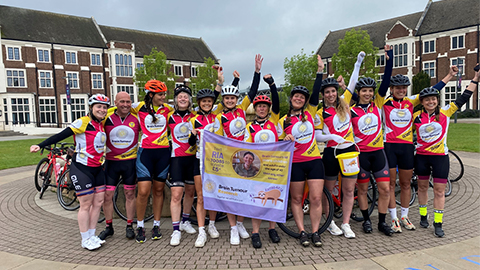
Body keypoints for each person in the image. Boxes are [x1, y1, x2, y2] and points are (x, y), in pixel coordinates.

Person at [30, 94, 110, 250]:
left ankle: (93, 236)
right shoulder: (82, 122)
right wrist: (40, 145)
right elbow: (61, 134)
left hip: (98, 168)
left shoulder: (102, 124)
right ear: (91, 108)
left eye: (104, 107)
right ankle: (85, 238)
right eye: (98, 106)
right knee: (85, 205)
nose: (102, 109)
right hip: (82, 168)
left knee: (98, 203)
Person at [384, 66, 457, 233]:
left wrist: (449, 76)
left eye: (403, 88)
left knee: (405, 183)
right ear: (392, 89)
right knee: (389, 185)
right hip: (390, 146)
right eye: (398, 88)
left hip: (407, 147)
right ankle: (394, 218)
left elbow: (432, 91)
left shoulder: (411, 101)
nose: (401, 90)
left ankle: (405, 216)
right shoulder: (385, 102)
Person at [413, 65, 479, 237]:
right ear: (422, 102)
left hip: (440, 157)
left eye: (433, 99)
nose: (430, 102)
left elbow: (464, 97)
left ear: (437, 100)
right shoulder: (416, 117)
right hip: (421, 157)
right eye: (427, 100)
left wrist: (475, 79)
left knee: (439, 190)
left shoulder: (445, 112)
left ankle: (438, 222)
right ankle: (422, 216)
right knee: (422, 187)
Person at [315, 52, 364, 239]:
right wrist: (332, 136)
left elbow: (352, 83)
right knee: (328, 190)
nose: (330, 95)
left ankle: (346, 223)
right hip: (331, 153)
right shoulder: (321, 112)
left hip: (350, 151)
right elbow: (318, 136)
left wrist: (358, 63)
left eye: (333, 91)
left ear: (336, 92)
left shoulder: (344, 103)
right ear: (323, 95)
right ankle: (330, 222)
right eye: (327, 92)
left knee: (349, 189)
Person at [214, 54, 262, 245]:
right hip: (230, 159)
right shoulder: (220, 116)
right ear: (224, 100)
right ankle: (233, 228)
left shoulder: (242, 108)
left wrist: (257, 71)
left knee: (244, 194)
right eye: (227, 98)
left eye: (233, 97)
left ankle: (241, 223)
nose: (230, 100)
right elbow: (217, 138)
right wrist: (220, 82)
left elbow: (253, 90)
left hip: (246, 156)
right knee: (231, 194)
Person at [279, 55, 324, 247]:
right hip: (295, 163)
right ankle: (302, 232)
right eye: (295, 96)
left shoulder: (310, 113)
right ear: (291, 99)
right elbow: (277, 143)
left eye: (302, 97)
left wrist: (319, 71)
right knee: (296, 199)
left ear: (305, 101)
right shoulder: (284, 120)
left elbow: (316, 93)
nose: (298, 99)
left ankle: (315, 232)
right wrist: (284, 137)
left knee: (315, 198)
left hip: (314, 161)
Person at [350, 45, 394, 236]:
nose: (367, 94)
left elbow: (385, 81)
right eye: (364, 91)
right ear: (358, 92)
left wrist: (389, 58)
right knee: (362, 190)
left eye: (370, 91)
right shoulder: (351, 111)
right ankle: (366, 220)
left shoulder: (377, 104)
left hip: (378, 153)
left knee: (385, 189)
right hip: (361, 156)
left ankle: (382, 222)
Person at [130, 80, 173, 243]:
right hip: (145, 153)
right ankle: (140, 225)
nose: (163, 97)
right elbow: (120, 106)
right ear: (151, 95)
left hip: (163, 153)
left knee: (159, 190)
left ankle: (156, 225)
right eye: (160, 94)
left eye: (164, 94)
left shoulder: (168, 109)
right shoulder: (139, 107)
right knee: (142, 191)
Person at [244, 73, 282, 248]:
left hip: (273, 168)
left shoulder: (274, 121)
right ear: (255, 108)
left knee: (273, 199)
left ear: (268, 109)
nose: (261, 109)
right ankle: (255, 232)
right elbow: (247, 149)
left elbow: (276, 100)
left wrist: (272, 84)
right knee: (258, 200)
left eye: (264, 106)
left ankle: (272, 229)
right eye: (258, 106)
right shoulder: (249, 127)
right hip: (258, 169)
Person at [99, 91, 140, 241]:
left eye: (128, 102)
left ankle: (130, 225)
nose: (125, 105)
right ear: (115, 103)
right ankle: (108, 227)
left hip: (130, 162)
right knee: (107, 195)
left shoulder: (136, 119)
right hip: (111, 163)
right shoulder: (106, 118)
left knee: (130, 194)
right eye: (122, 101)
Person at [188, 87, 222, 248]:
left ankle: (212, 224)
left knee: (213, 194)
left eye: (209, 101)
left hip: (214, 161)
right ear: (199, 103)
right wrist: (193, 135)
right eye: (204, 101)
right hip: (199, 160)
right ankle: (201, 231)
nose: (207, 103)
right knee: (201, 196)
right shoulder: (193, 120)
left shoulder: (218, 118)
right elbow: (189, 143)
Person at [167, 85, 198, 246]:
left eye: (186, 96)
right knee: (176, 194)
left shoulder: (195, 116)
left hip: (192, 158)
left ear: (190, 100)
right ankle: (175, 229)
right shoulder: (169, 116)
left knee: (190, 192)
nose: (183, 98)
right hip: (176, 159)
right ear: (176, 100)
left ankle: (185, 221)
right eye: (180, 96)